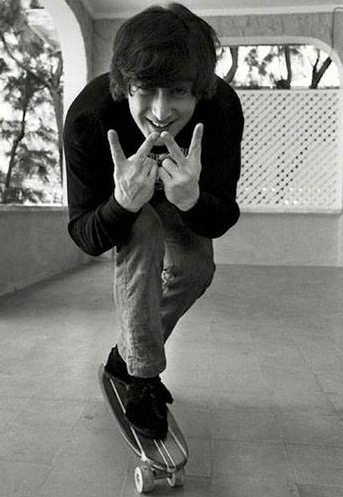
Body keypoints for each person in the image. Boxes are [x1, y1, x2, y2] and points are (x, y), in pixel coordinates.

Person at [63, 3, 244, 439]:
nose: (161, 111)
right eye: (146, 89)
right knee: (142, 232)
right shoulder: (89, 119)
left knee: (196, 269)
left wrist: (193, 198)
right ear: (124, 84)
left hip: (184, 196)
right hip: (124, 200)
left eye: (179, 92)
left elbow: (220, 217)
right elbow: (85, 235)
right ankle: (142, 378)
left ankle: (123, 357)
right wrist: (122, 206)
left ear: (199, 91)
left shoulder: (220, 111)